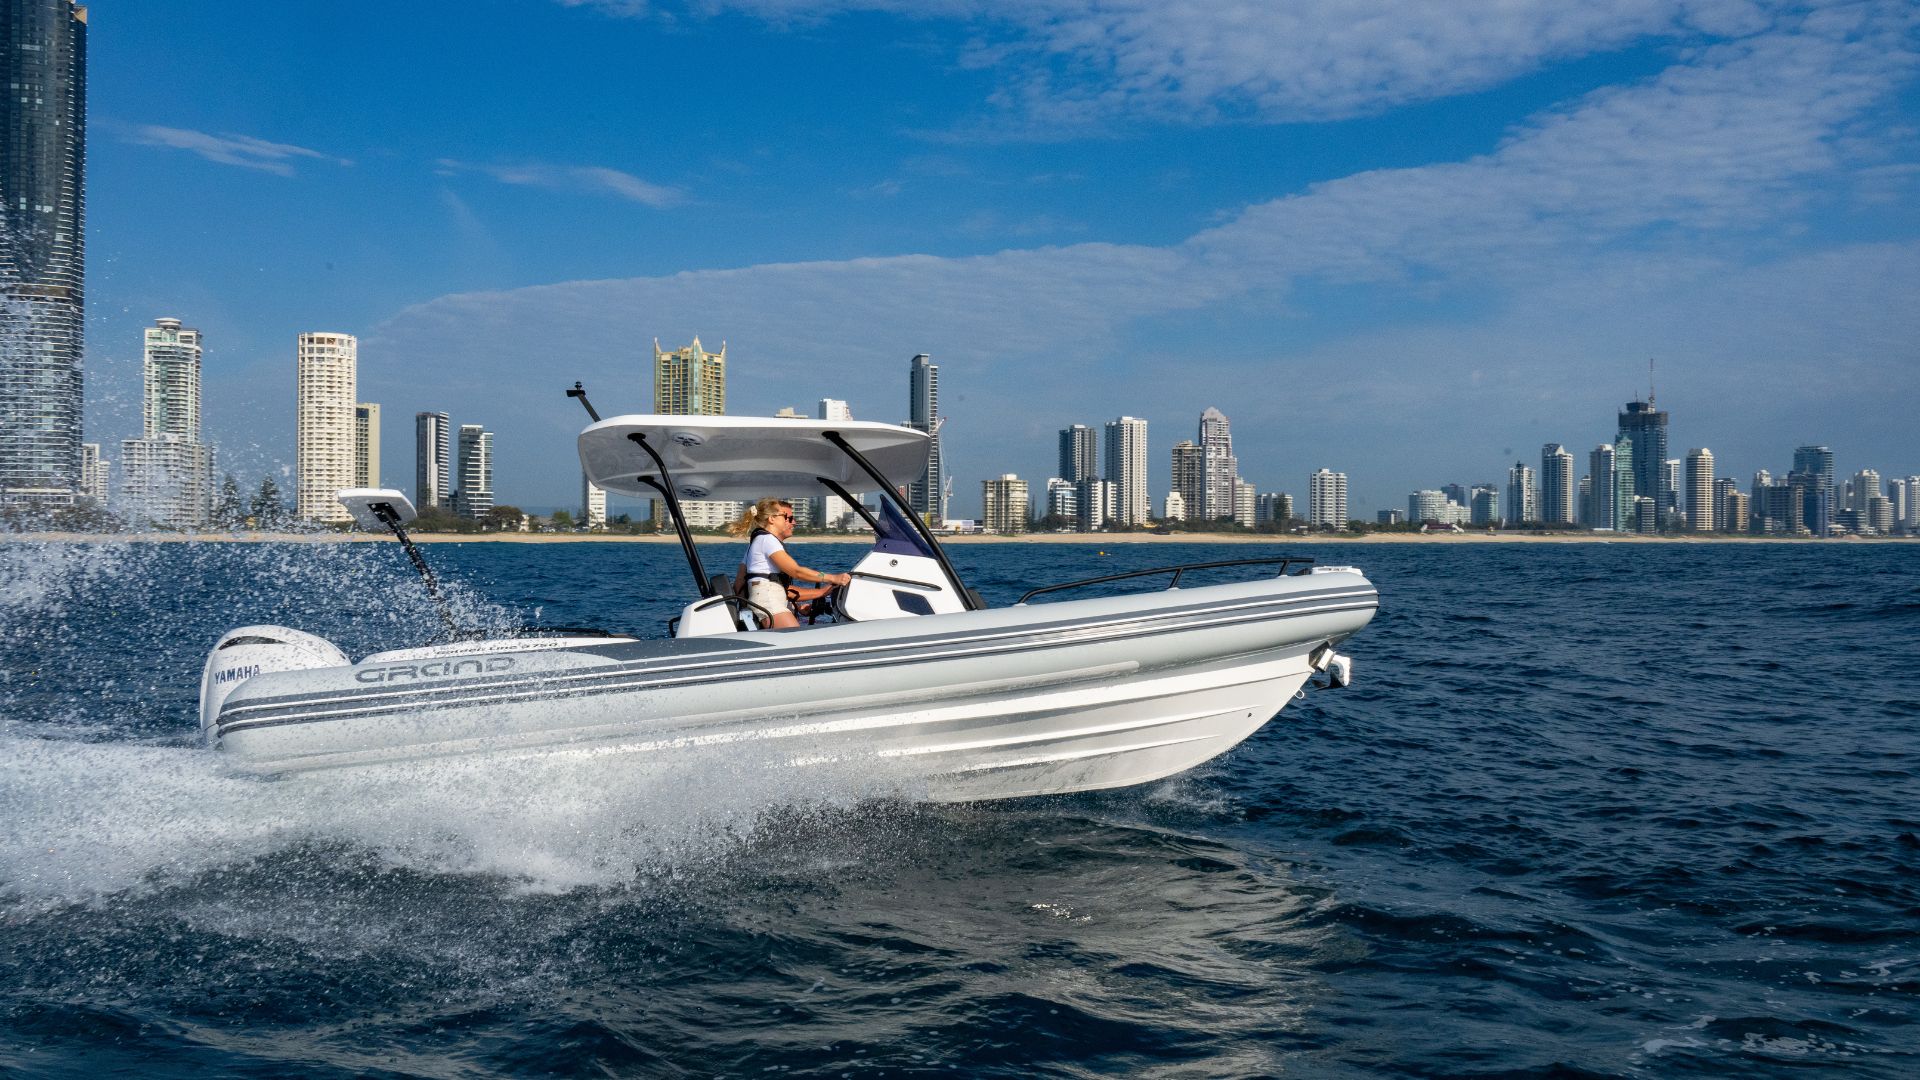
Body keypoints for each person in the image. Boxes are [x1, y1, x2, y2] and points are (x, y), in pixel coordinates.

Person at [726, 498, 852, 629]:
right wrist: (833, 578)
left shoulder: (757, 542)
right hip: (769, 602)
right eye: (785, 516)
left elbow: (741, 582)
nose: (789, 521)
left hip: (765, 601)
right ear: (772, 519)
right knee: (798, 641)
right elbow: (796, 571)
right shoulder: (767, 540)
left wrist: (796, 606)